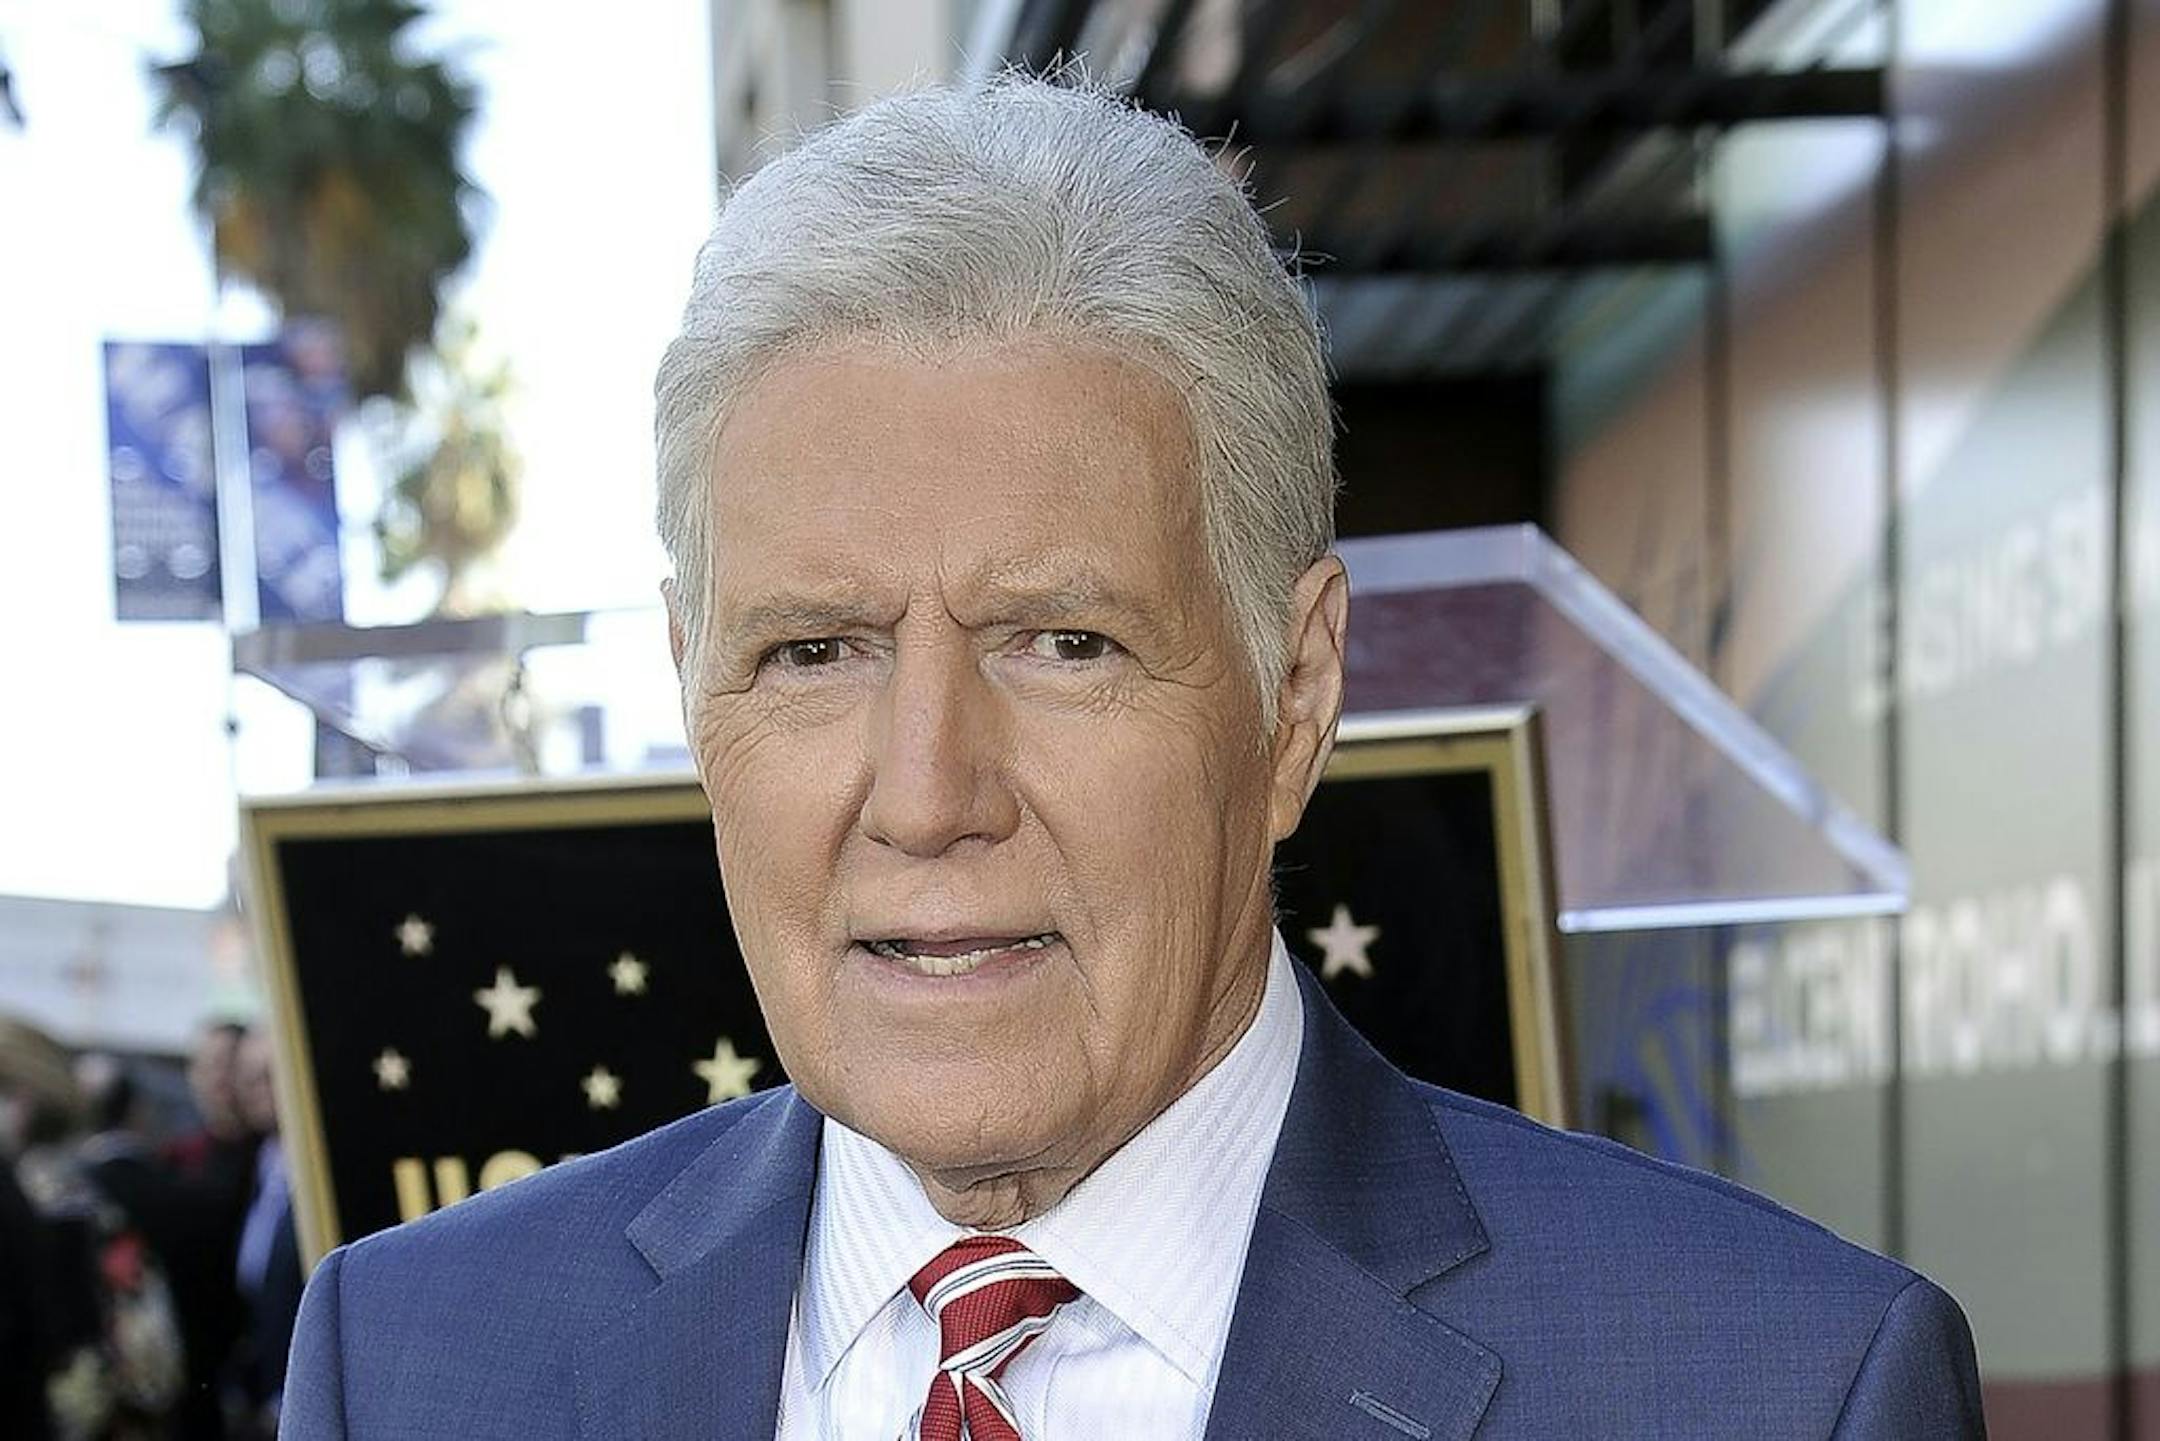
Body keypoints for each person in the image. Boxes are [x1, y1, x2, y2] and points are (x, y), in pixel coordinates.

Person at [282, 78, 1983, 1438]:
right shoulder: (412, 1364)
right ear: (690, 687)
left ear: (1295, 696)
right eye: (815, 651)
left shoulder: (1780, 1387)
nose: (931, 792)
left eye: (1061, 642)